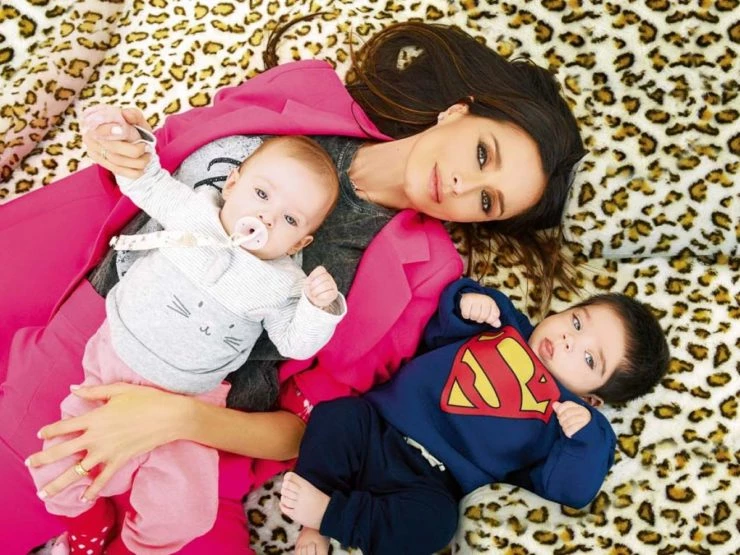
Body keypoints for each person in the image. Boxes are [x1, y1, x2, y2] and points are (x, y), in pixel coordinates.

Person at [1, 17, 586, 554]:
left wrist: (171, 419)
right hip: (90, 337)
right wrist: (124, 145)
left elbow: (308, 428)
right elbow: (161, 167)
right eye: (482, 154)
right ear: (457, 113)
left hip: (204, 436)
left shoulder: (427, 279)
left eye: (487, 201)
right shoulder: (305, 93)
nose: (463, 185)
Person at [28, 105, 347, 553]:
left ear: (301, 242)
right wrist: (132, 145)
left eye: (290, 220)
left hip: (194, 396)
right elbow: (148, 184)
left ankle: (135, 548)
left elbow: (294, 342)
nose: (268, 218)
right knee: (55, 462)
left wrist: (319, 308)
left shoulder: (283, 283)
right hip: (115, 361)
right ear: (232, 184)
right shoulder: (197, 212)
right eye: (261, 194)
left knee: (187, 510)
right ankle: (88, 524)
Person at [279, 278, 670, 555]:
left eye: (588, 358)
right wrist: (467, 303)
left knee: (436, 527)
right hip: (380, 425)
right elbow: (439, 331)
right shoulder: (506, 324)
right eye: (577, 322)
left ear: (592, 399)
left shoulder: (567, 419)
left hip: (431, 481)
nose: (569, 340)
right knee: (335, 417)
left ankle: (332, 515)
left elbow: (572, 488)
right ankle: (315, 519)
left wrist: (586, 438)